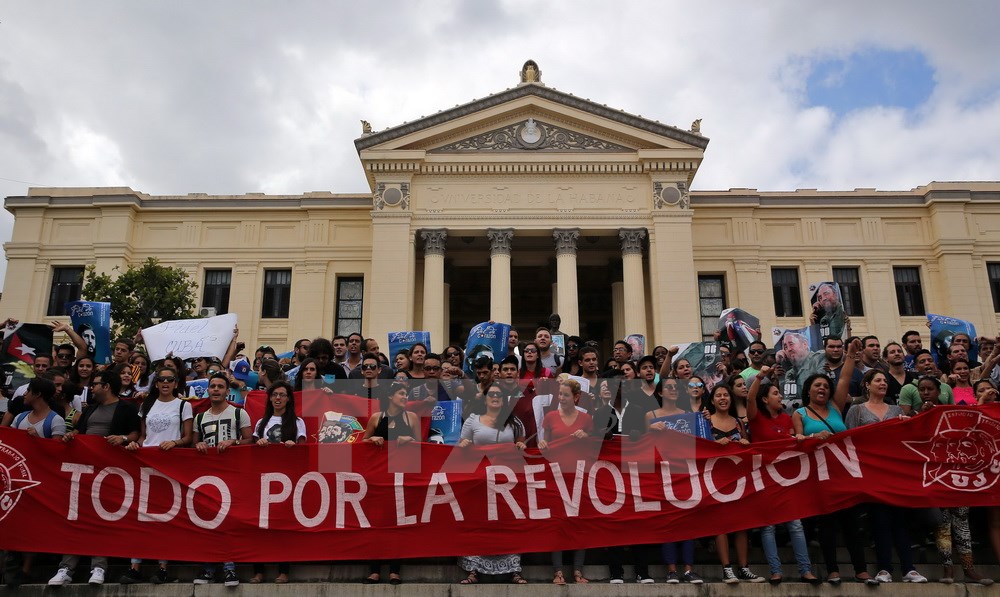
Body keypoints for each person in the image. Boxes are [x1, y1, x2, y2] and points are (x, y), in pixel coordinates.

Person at [840, 341, 928, 584]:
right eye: (877, 380)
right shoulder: (857, 411)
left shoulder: (896, 410)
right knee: (879, 520)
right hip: (871, 473)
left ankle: (909, 569)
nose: (883, 383)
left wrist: (904, 424)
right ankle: (884, 569)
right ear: (867, 385)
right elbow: (849, 440)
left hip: (894, 473)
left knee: (900, 519)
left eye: (884, 381)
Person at [48, 370, 139, 587]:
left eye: (96, 384)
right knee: (76, 517)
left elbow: (136, 433)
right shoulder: (91, 410)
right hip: (85, 471)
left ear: (106, 386)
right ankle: (66, 568)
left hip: (110, 473)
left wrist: (123, 438)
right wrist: (73, 436)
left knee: (102, 519)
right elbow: (81, 432)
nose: (92, 388)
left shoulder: (126, 409)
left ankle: (99, 567)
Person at [792, 370, 871, 584]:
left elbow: (844, 378)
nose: (822, 389)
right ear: (808, 390)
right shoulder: (800, 413)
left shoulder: (836, 407)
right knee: (827, 525)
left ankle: (861, 570)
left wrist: (852, 354)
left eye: (826, 386)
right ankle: (832, 571)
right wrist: (813, 437)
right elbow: (798, 442)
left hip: (844, 473)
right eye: (818, 385)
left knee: (851, 524)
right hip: (820, 476)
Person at [119, 366, 194, 584]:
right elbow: (144, 436)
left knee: (165, 517)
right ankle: (135, 566)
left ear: (176, 382)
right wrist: (136, 444)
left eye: (170, 379)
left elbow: (188, 436)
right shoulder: (147, 404)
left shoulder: (183, 405)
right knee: (141, 517)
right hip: (146, 465)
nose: (165, 382)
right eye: (161, 379)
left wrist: (175, 442)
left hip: (170, 465)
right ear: (156, 382)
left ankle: (162, 567)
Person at [746, 367, 820, 585]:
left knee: (795, 524)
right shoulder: (756, 417)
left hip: (787, 478)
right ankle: (775, 571)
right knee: (768, 526)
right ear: (765, 400)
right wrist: (760, 376)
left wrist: (802, 437)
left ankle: (805, 570)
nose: (781, 397)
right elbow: (750, 397)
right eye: (776, 394)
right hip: (764, 477)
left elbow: (794, 441)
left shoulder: (787, 419)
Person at [457, 382, 528, 585]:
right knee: (478, 524)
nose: (495, 397)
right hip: (479, 482)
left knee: (510, 524)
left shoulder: (515, 422)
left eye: (499, 394)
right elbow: (461, 446)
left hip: (508, 484)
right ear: (485, 398)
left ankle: (514, 570)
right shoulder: (472, 420)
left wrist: (521, 444)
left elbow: (522, 444)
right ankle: (473, 571)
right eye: (491, 394)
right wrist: (463, 445)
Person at [192, 372, 251, 587]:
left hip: (233, 475)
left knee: (228, 521)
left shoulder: (239, 413)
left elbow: (249, 440)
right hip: (208, 478)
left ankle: (229, 566)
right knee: (208, 520)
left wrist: (233, 442)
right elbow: (194, 445)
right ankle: (208, 566)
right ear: (208, 390)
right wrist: (197, 446)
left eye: (220, 386)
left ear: (228, 391)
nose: (216, 389)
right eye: (212, 386)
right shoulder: (200, 417)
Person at [361, 381, 422, 584]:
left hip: (402, 479)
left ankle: (395, 569)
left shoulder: (411, 418)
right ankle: (375, 569)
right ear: (390, 396)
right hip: (378, 481)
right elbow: (361, 444)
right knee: (376, 523)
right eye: (401, 393)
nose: (405, 397)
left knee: (398, 524)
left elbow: (423, 449)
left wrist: (410, 441)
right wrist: (372, 440)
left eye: (406, 394)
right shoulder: (376, 418)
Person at [537, 379, 593, 585]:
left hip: (579, 476)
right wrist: (542, 443)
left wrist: (586, 435)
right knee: (557, 522)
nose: (561, 398)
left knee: (579, 522)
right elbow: (546, 445)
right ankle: (558, 571)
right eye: (559, 394)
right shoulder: (550, 417)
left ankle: (578, 571)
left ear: (576, 397)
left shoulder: (586, 419)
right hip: (556, 476)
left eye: (565, 395)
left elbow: (594, 447)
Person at [705, 384, 762, 584]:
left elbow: (749, 450)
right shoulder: (706, 422)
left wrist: (746, 444)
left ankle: (744, 568)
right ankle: (727, 568)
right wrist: (713, 446)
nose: (722, 398)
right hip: (715, 479)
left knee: (741, 524)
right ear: (712, 400)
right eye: (718, 395)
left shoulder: (739, 422)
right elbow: (699, 449)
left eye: (726, 395)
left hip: (738, 479)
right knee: (721, 524)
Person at [251, 381, 305, 583]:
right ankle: (259, 571)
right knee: (260, 527)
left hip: (288, 480)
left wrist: (294, 445)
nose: (278, 398)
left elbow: (303, 448)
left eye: (282, 394)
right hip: (264, 479)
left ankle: (284, 571)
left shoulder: (297, 422)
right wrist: (259, 443)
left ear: (288, 398)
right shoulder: (261, 423)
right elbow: (251, 449)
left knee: (283, 527)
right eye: (275, 394)